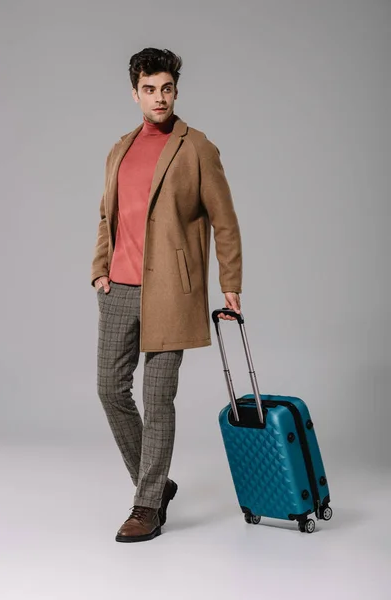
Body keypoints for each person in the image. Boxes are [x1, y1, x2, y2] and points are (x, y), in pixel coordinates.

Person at [91, 47, 243, 543]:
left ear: (176, 90)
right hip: (118, 289)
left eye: (167, 88)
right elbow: (106, 215)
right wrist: (99, 271)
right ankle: (158, 483)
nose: (159, 98)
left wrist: (231, 284)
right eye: (149, 89)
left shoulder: (196, 147)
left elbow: (225, 219)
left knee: (158, 400)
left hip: (170, 293)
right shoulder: (120, 148)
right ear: (134, 92)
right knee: (110, 390)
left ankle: (147, 505)